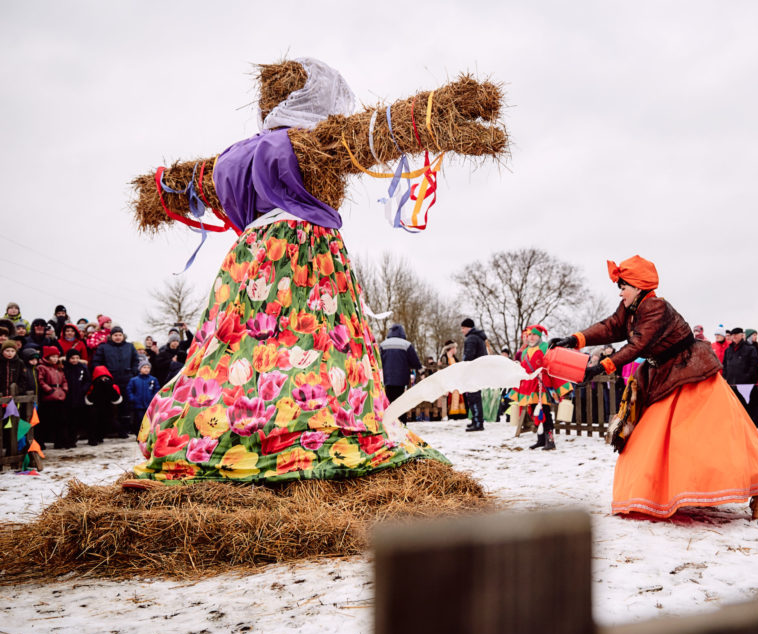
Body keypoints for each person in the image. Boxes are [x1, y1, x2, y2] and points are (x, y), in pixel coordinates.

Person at [129, 58, 502, 482]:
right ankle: (317, 430)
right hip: (307, 255)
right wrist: (451, 108)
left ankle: (237, 424)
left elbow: (176, 186)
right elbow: (387, 128)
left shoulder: (228, 160)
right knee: (319, 339)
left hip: (250, 261)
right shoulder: (311, 143)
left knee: (245, 344)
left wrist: (152, 191)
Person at [549, 255, 758, 522]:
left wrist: (601, 367)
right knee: (652, 439)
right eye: (619, 286)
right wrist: (575, 339)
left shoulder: (655, 307)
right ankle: (659, 494)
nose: (620, 291)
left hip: (691, 374)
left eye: (624, 285)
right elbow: (611, 326)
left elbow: (638, 346)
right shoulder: (631, 307)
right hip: (662, 375)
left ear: (638, 286)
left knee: (713, 436)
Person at [513, 325, 572, 450]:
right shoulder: (525, 351)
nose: (531, 337)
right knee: (534, 412)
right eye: (529, 335)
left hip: (542, 385)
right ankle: (541, 439)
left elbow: (553, 364)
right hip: (530, 386)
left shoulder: (546, 347)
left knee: (545, 412)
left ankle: (550, 441)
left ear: (539, 336)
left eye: (534, 334)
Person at [91, 326, 139, 436]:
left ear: (123, 336)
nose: (118, 337)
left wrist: (133, 372)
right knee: (109, 407)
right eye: (115, 335)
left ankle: (124, 430)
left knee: (125, 406)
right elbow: (96, 362)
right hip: (109, 381)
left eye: (120, 335)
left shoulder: (130, 346)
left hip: (127, 379)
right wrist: (103, 375)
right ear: (111, 336)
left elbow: (135, 360)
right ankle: (108, 430)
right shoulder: (104, 347)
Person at [722, 327, 758, 427]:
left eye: (736, 335)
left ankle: (749, 424)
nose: (734, 337)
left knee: (747, 406)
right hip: (731, 384)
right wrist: (725, 378)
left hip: (746, 385)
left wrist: (747, 378)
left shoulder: (750, 349)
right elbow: (725, 366)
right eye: (732, 335)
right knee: (733, 406)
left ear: (742, 335)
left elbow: (754, 366)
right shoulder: (728, 350)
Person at [378, 324, 422, 416]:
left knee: (389, 401)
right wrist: (420, 370)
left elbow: (378, 361)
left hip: (387, 379)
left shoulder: (383, 345)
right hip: (401, 380)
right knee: (400, 403)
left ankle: (390, 423)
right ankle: (401, 423)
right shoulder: (406, 345)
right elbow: (415, 361)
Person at [37, 346, 70, 449]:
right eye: (53, 356)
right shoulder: (42, 367)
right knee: (45, 421)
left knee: (61, 420)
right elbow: (41, 381)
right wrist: (49, 390)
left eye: (56, 356)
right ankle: (41, 442)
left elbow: (64, 380)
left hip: (60, 396)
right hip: (48, 398)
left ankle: (60, 441)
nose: (55, 359)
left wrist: (64, 390)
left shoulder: (58, 368)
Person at [460, 318, 488, 432]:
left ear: (468, 328)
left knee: (473, 396)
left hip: (473, 370)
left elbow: (469, 355)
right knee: (474, 395)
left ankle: (478, 422)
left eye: (463, 328)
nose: (462, 331)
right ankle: (476, 420)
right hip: (479, 369)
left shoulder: (471, 338)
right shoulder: (478, 337)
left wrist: (463, 366)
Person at [85, 365, 123, 446]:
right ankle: (93, 438)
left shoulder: (112, 386)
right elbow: (90, 399)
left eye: (105, 378)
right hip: (95, 408)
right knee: (94, 422)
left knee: (105, 422)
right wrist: (97, 387)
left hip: (108, 408)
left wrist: (109, 387)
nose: (103, 380)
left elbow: (116, 398)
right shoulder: (92, 387)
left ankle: (100, 436)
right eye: (101, 378)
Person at [64, 349, 91, 444]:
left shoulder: (82, 367)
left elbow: (88, 380)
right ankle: (69, 439)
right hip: (68, 396)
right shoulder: (65, 367)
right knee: (68, 418)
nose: (75, 360)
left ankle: (76, 436)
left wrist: (83, 390)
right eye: (72, 358)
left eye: (77, 358)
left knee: (77, 417)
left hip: (79, 395)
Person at [126, 360, 160, 435]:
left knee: (149, 421)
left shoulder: (153, 380)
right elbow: (129, 390)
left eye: (148, 367)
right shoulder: (134, 380)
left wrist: (153, 399)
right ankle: (139, 435)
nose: (146, 369)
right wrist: (133, 398)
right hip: (138, 405)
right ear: (140, 368)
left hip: (150, 405)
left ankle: (148, 435)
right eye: (144, 367)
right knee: (139, 421)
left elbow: (157, 390)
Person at [440, 340, 466, 420]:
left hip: (456, 381)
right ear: (451, 348)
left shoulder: (454, 358)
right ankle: (451, 415)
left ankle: (459, 415)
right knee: (451, 397)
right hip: (449, 381)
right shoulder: (444, 358)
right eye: (455, 348)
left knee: (458, 396)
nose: (456, 350)